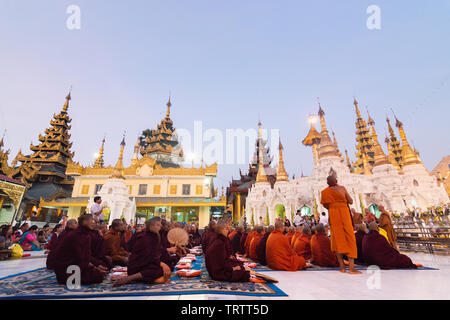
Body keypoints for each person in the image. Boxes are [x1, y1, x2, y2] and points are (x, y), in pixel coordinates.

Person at [112, 217, 174, 286]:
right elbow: (148, 255)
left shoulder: (155, 235)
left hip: (148, 263)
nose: (160, 227)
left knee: (169, 264)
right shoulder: (144, 237)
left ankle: (148, 278)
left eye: (160, 225)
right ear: (151, 226)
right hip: (137, 266)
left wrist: (165, 261)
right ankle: (131, 278)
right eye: (158, 225)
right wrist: (162, 264)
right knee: (157, 269)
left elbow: (158, 251)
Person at [320, 175, 360, 274]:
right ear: (336, 180)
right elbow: (350, 201)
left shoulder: (325, 192)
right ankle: (351, 268)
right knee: (349, 238)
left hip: (333, 215)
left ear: (327, 183)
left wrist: (334, 205)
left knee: (337, 239)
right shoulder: (342, 188)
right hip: (344, 213)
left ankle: (342, 267)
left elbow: (326, 205)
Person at [53, 214, 109, 284]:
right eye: (92, 220)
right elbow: (79, 257)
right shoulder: (75, 235)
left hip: (79, 265)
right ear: (84, 222)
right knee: (97, 276)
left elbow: (87, 255)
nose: (94, 223)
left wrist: (97, 265)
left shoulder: (86, 235)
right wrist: (94, 268)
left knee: (102, 269)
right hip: (67, 268)